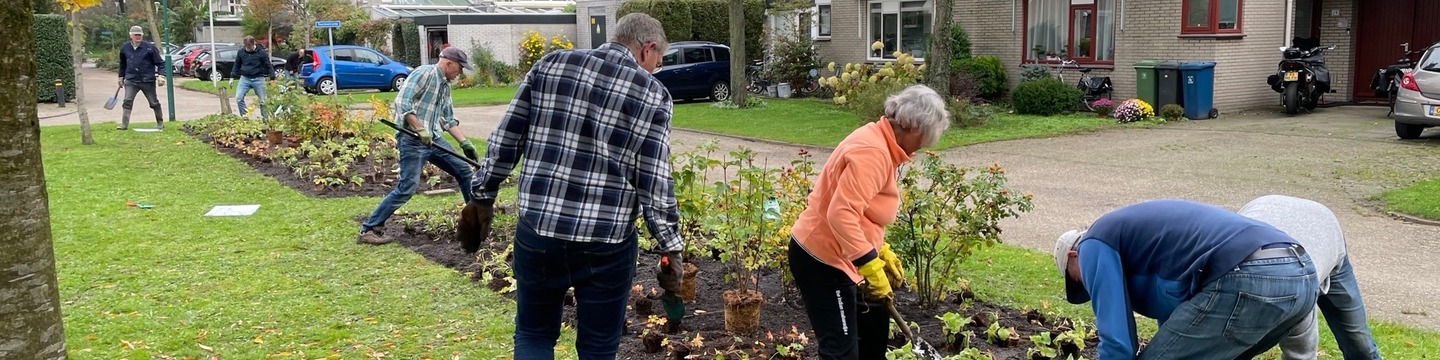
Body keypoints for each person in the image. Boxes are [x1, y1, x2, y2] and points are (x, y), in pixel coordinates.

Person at [454, 13, 683, 360]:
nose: (655, 69)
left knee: (533, 334)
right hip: (607, 242)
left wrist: (482, 196)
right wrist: (670, 247)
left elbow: (507, 137)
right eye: (658, 61)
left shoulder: (551, 64)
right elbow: (654, 179)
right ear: (646, 49)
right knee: (598, 347)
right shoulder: (653, 94)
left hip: (539, 231)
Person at [789, 84, 951, 359]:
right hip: (823, 258)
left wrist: (878, 248)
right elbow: (841, 214)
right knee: (841, 353)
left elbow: (861, 209)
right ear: (912, 127)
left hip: (846, 255)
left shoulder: (879, 140)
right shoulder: (872, 152)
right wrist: (869, 263)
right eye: (925, 138)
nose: (922, 147)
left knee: (873, 339)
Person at [1053, 199, 1320, 360]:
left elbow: (1118, 343)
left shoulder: (1093, 243)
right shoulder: (1139, 243)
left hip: (1246, 272)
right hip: (1303, 276)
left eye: (1075, 279)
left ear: (1073, 255)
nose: (1085, 285)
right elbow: (1180, 324)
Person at [357, 46, 479, 245]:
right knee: (407, 187)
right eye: (460, 67)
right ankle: (369, 229)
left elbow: (447, 119)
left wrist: (464, 142)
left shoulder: (445, 86)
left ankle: (473, 223)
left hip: (433, 139)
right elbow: (402, 102)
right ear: (449, 63)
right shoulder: (424, 73)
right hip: (412, 140)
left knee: (464, 171)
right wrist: (419, 129)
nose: (461, 72)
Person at [1238, 195, 1383, 360]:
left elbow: (1302, 356)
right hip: (1263, 210)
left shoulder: (1296, 291)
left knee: (1359, 344)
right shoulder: (1225, 280)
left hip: (1324, 229)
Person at [116, 25, 165, 130]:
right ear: (131, 36)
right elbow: (123, 64)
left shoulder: (150, 48)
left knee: (153, 102)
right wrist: (121, 77)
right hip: (131, 80)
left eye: (140, 35)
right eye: (136, 35)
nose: (138, 37)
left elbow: (160, 63)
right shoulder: (125, 47)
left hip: (147, 80)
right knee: (127, 101)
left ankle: (160, 122)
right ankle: (124, 124)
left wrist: (161, 75)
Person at [232, 36, 276, 118]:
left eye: (250, 47)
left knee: (263, 100)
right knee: (239, 98)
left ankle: (265, 119)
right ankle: (245, 117)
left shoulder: (261, 53)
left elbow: (268, 65)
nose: (248, 49)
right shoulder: (241, 52)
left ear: (253, 44)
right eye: (246, 47)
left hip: (258, 78)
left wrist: (272, 76)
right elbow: (236, 64)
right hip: (245, 78)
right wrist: (232, 76)